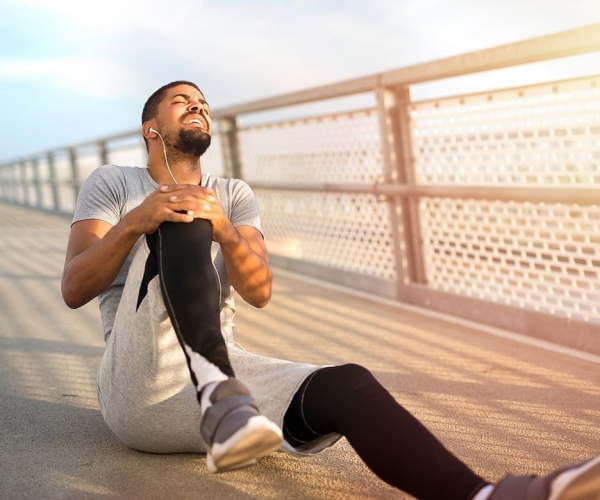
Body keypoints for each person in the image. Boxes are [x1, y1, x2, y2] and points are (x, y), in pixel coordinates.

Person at [61, 80, 600, 499]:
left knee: (348, 384)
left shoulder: (233, 193)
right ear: (151, 127)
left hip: (223, 385)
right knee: (182, 210)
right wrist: (138, 220)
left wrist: (224, 228)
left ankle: (482, 495)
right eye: (182, 101)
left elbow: (259, 292)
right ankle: (220, 396)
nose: (198, 107)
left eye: (203, 102)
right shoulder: (115, 183)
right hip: (140, 385)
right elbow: (74, 287)